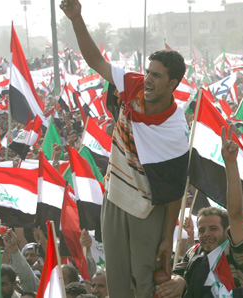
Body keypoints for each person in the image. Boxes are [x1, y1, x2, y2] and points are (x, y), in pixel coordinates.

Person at [60, 0, 188, 297]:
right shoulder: (133, 86)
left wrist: (167, 238)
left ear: (173, 83)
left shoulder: (174, 130)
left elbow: (173, 190)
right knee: (117, 281)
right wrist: (77, 19)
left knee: (144, 283)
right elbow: (95, 60)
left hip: (147, 208)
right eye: (148, 72)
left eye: (157, 76)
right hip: (114, 197)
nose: (149, 80)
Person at [156, 126, 243, 297]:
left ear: (226, 230)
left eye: (213, 228)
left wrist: (230, 164)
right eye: (201, 230)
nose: (206, 234)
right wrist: (179, 280)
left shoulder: (235, 251)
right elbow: (178, 274)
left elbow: (236, 213)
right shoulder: (194, 252)